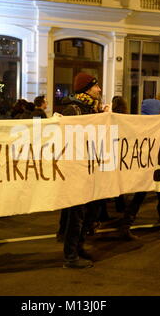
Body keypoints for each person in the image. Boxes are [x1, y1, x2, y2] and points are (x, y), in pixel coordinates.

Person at [117, 98, 160, 240]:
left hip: (144, 168)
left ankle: (125, 226)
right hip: (158, 168)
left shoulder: (137, 123)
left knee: (139, 197)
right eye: (159, 109)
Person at [58, 72, 102, 269]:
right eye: (95, 86)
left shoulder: (90, 109)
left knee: (89, 213)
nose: (99, 89)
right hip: (76, 169)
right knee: (76, 215)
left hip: (90, 168)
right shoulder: (73, 110)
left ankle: (79, 247)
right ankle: (70, 255)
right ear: (86, 89)